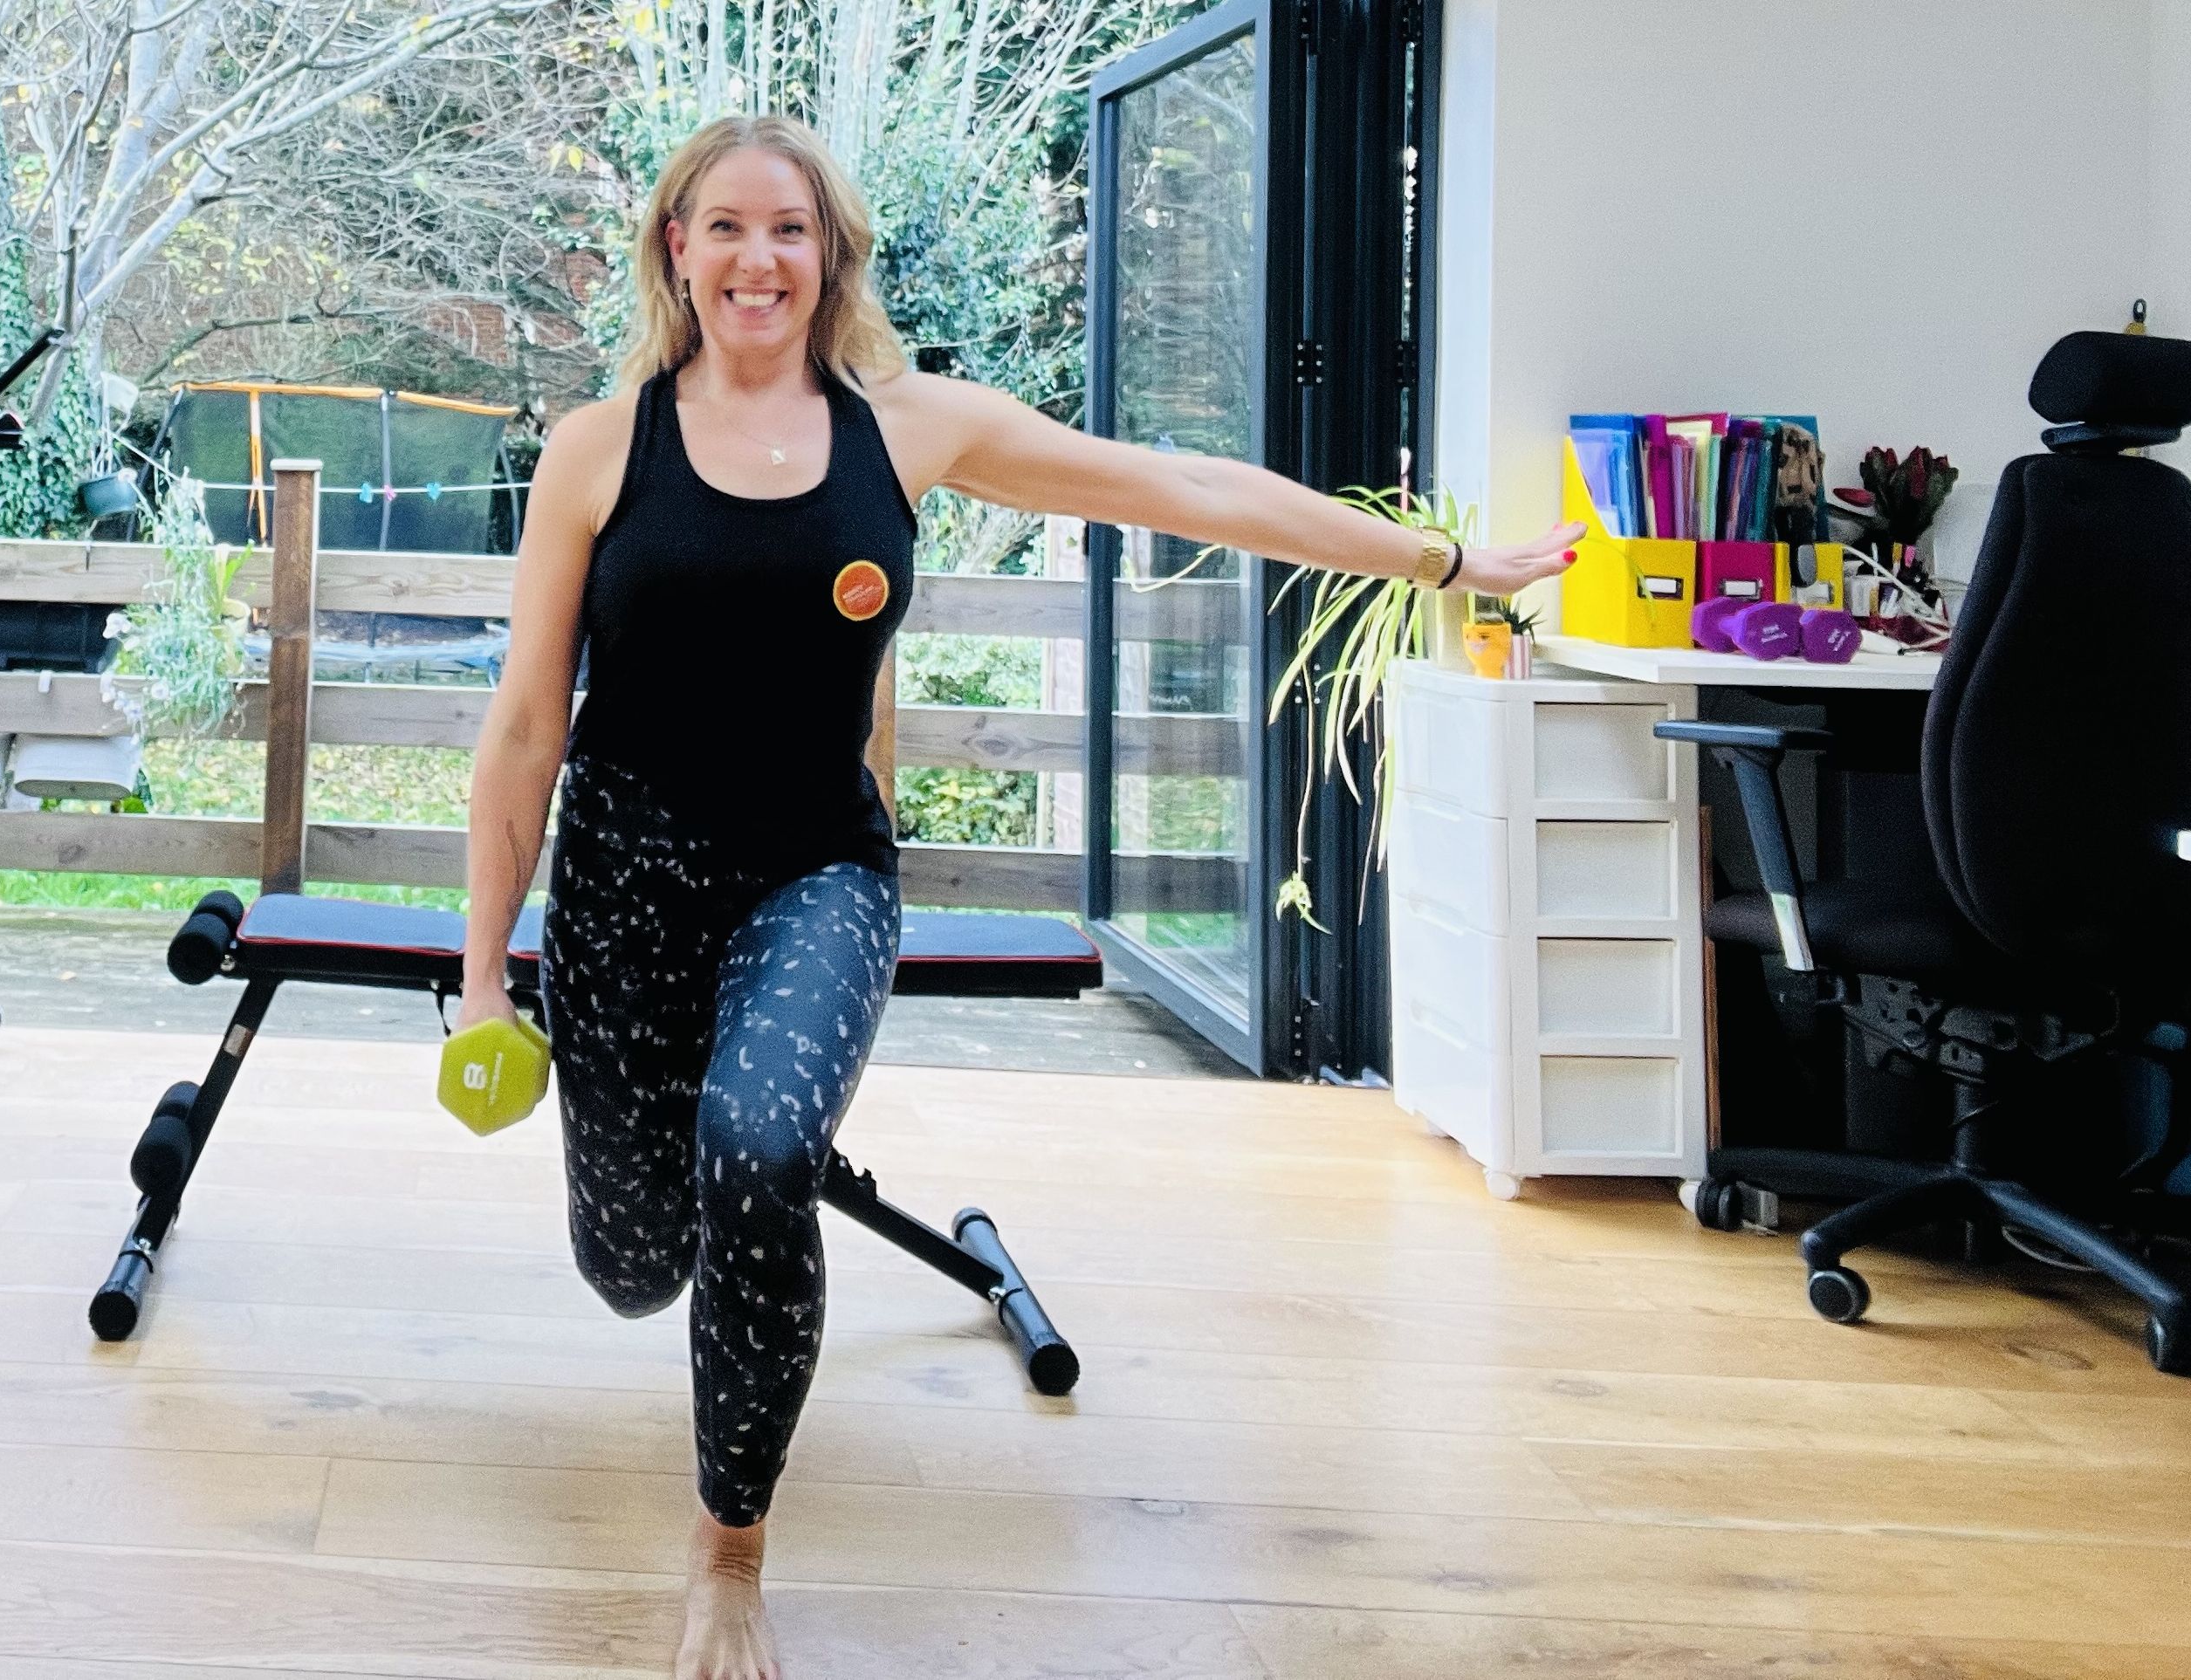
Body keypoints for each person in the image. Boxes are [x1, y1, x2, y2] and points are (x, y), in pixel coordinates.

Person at [457, 113, 1581, 1680]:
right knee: (634, 1267)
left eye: (789, 229)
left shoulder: (908, 430)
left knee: (761, 1141)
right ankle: (726, 1274)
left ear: (830, 252)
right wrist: (489, 973)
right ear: (675, 250)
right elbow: (522, 727)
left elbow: (1182, 484)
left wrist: (1442, 563)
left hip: (816, 874)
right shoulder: (600, 447)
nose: (757, 259)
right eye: (724, 228)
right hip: (622, 888)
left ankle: (728, 1549)